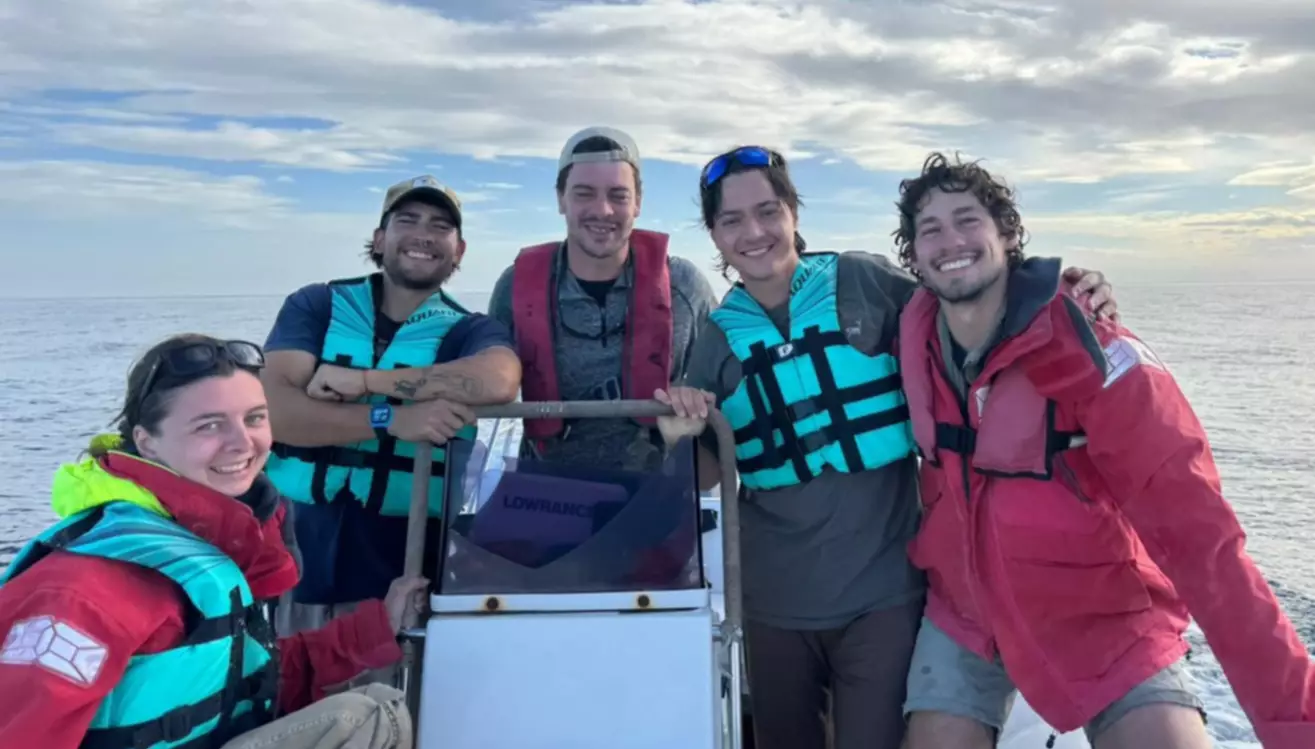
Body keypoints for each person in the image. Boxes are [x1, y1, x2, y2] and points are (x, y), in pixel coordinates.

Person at [655, 146, 1118, 749]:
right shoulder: (718, 338)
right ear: (715, 234)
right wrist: (679, 436)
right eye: (732, 220)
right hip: (772, 603)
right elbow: (706, 476)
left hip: (885, 593)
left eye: (768, 211)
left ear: (793, 212)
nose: (754, 232)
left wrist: (1064, 291)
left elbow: (970, 299)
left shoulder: (863, 281)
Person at [892, 152, 1315, 749]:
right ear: (913, 255)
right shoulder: (910, 336)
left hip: (1105, 616)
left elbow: (1205, 541)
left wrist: (1297, 724)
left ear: (1007, 235)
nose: (951, 241)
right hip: (968, 616)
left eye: (967, 220)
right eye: (931, 229)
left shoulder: (1095, 350)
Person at [0, 334, 426, 749]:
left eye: (254, 418)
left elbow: (247, 683)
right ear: (147, 443)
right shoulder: (83, 590)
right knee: (366, 716)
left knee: (371, 711)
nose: (243, 443)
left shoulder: (200, 542)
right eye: (209, 425)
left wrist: (378, 626)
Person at [260, 176, 521, 666]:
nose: (423, 234)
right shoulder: (317, 306)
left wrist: (365, 382)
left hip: (403, 558)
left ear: (459, 250)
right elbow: (276, 413)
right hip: (297, 546)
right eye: (408, 220)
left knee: (390, 696)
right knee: (290, 683)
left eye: (440, 226)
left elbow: (500, 380)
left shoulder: (469, 331)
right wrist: (392, 419)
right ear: (379, 239)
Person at [488, 126, 719, 471]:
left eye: (618, 195)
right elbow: (489, 378)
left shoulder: (684, 287)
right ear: (561, 199)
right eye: (584, 194)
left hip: (657, 493)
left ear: (638, 202)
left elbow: (722, 385)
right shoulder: (515, 288)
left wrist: (689, 399)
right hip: (544, 491)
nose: (603, 210)